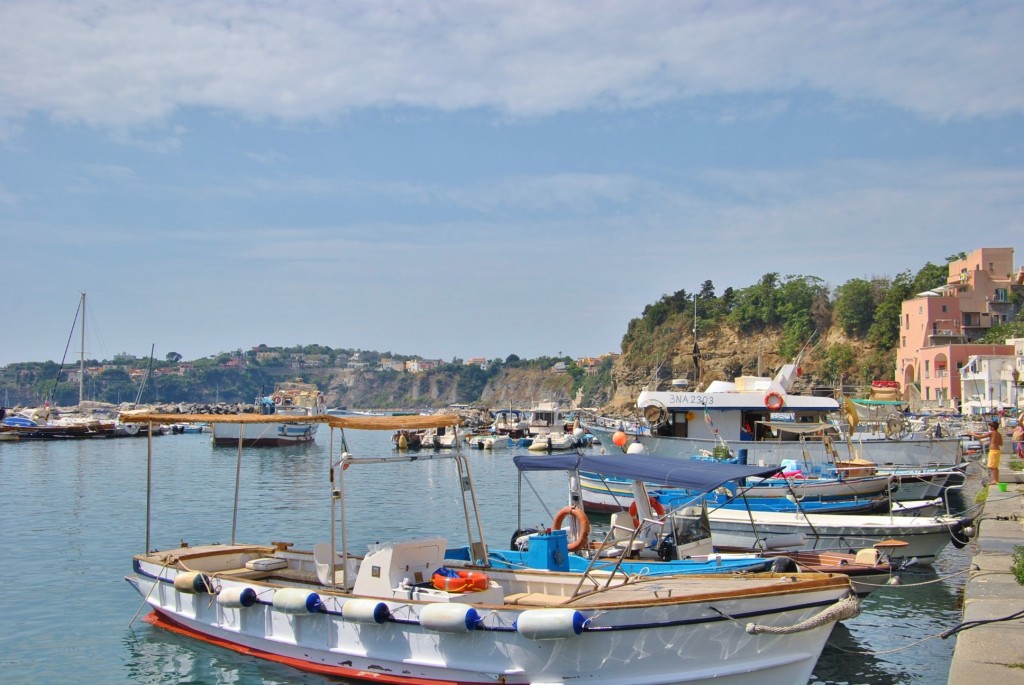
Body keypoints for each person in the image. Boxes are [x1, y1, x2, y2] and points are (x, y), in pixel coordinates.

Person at [974, 420, 1004, 486]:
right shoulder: (998, 434)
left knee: (992, 467)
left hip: (993, 451)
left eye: (990, 427)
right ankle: (996, 480)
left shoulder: (992, 433)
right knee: (995, 467)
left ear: (993, 427)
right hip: (997, 451)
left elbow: (980, 437)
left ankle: (995, 480)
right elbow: (1001, 443)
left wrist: (971, 434)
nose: (989, 428)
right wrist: (993, 441)